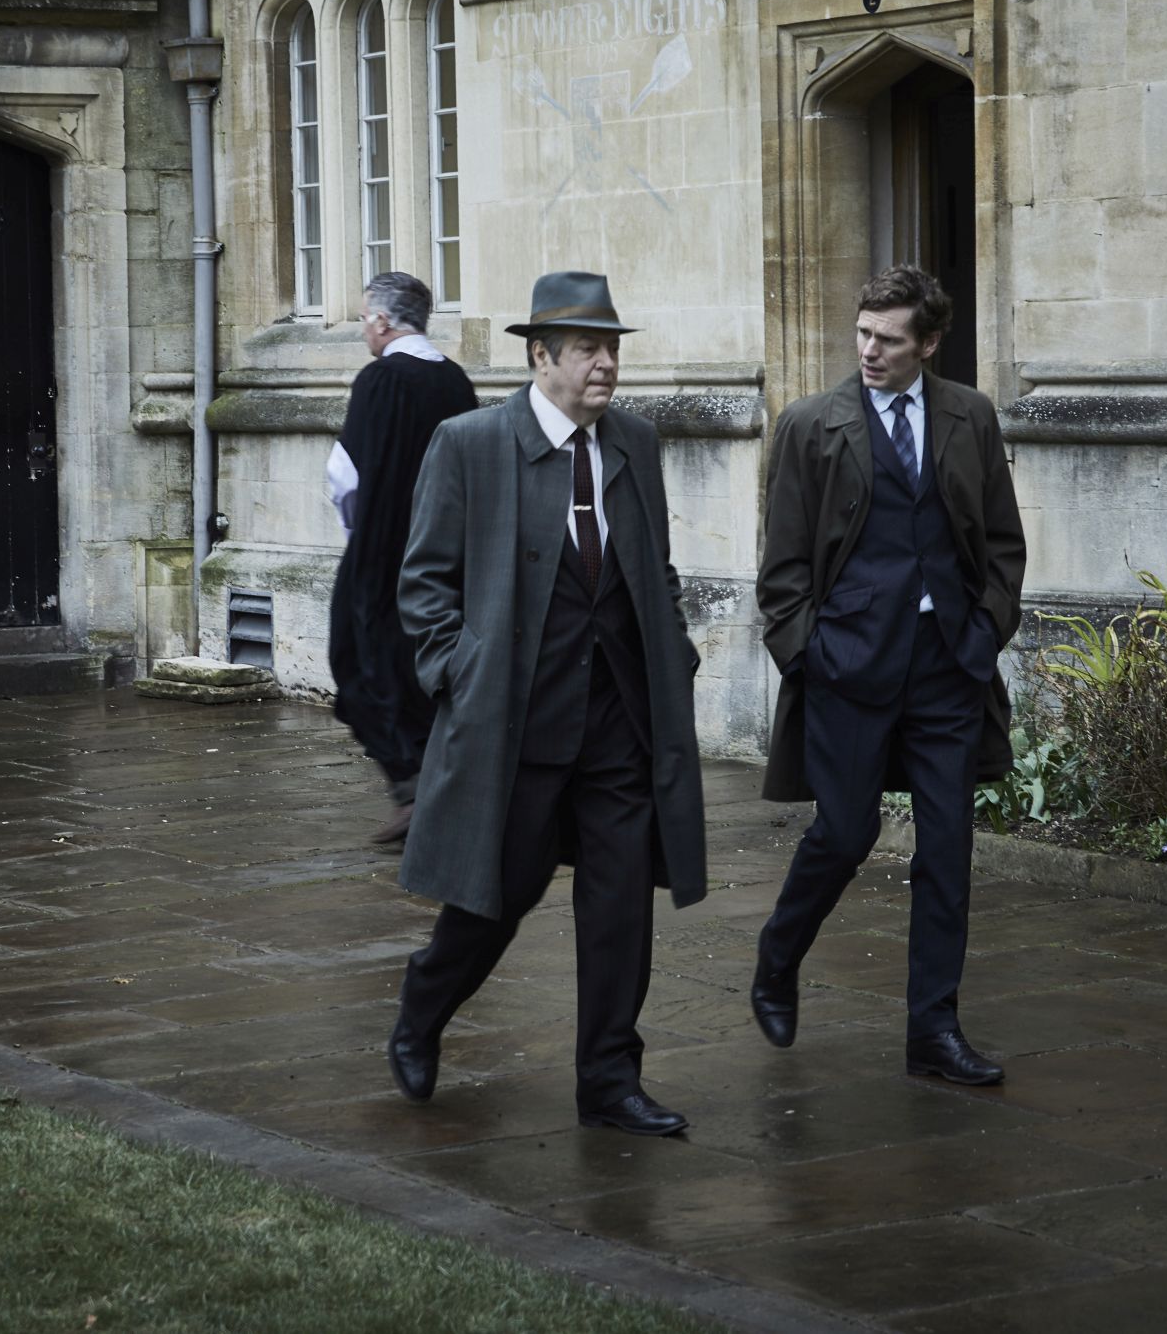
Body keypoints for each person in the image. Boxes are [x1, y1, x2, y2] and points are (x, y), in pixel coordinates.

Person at [386, 271, 708, 1137]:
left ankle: (609, 1080)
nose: (606, 365)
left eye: (613, 349)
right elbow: (422, 584)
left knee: (619, 907)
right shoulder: (471, 443)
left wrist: (674, 654)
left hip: (620, 723)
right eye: (589, 350)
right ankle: (424, 1006)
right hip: (515, 724)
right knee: (498, 894)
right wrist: (462, 669)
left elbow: (657, 571)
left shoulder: (634, 443)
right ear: (540, 356)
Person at [749, 264, 1026, 1086]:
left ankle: (932, 1033)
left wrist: (983, 634)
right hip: (848, 668)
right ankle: (778, 953)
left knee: (948, 848)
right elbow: (782, 566)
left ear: (929, 344)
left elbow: (1003, 543)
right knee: (846, 831)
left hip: (947, 670)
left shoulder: (970, 416)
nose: (869, 351)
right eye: (863, 333)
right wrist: (808, 653)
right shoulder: (810, 425)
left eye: (889, 339)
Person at [325, 271, 478, 847]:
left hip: (384, 548)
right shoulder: (455, 382)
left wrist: (359, 535)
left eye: (366, 320)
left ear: (383, 322)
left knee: (361, 661)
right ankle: (435, 784)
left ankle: (414, 786)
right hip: (448, 550)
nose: (366, 330)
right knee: (430, 664)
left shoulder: (380, 379)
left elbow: (345, 476)